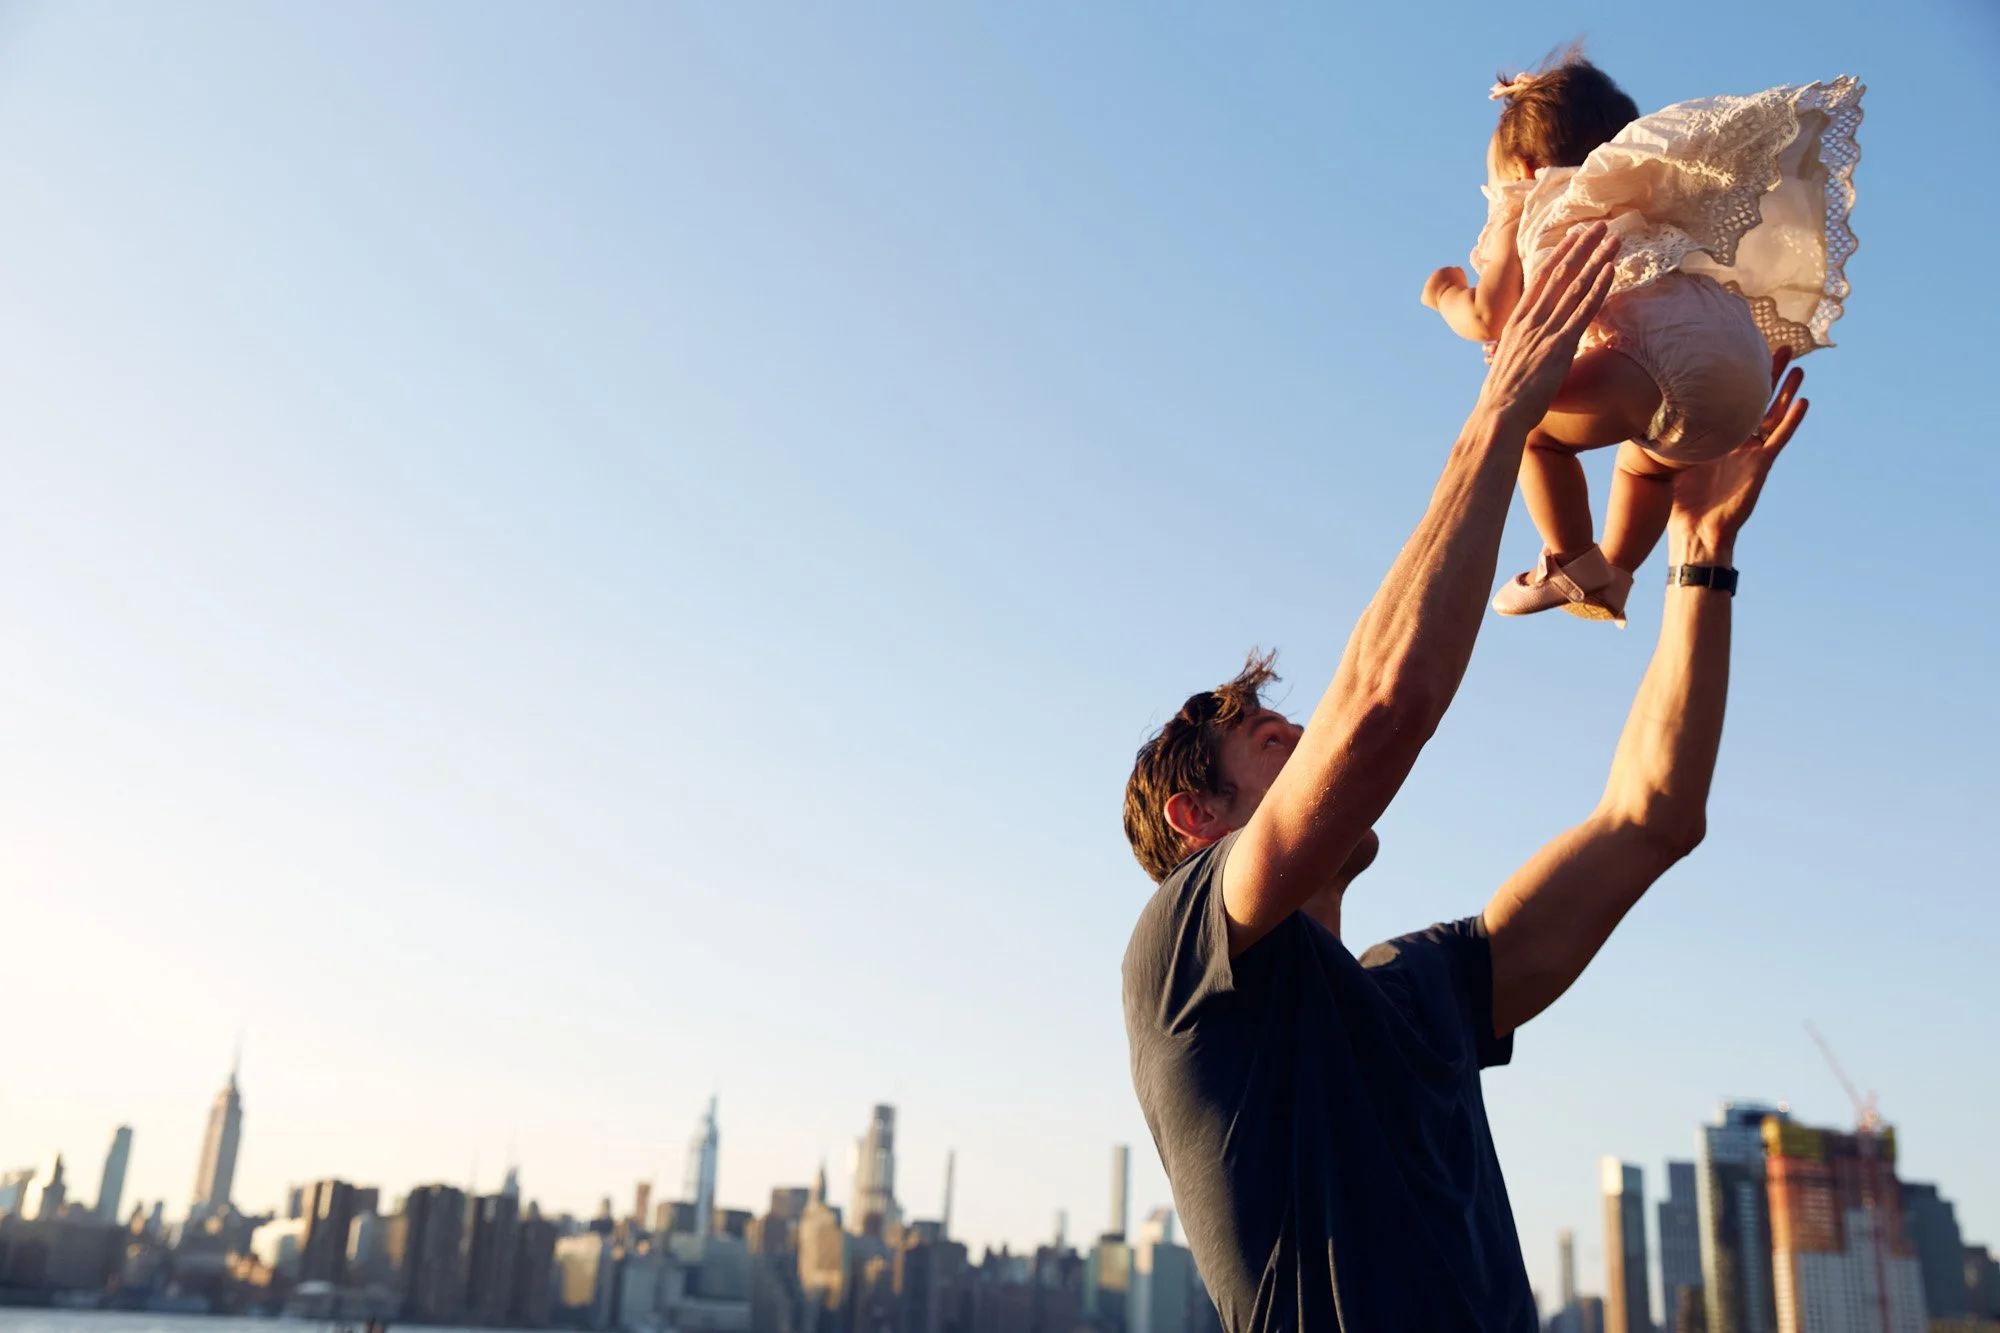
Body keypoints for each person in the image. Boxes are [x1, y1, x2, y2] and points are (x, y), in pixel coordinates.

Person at [1120, 224, 1809, 1330]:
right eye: (1270, 742)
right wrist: (1499, 407)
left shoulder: (1421, 989)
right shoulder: (1178, 967)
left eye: (1298, 726)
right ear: (1193, 818)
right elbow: (1380, 708)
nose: (1305, 742)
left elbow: (1651, 817)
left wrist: (1700, 554)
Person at [1419, 52, 1859, 624]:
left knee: (1525, 428)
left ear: (1524, 168)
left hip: (1661, 356)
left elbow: (1487, 317)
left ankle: (1571, 561)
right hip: (1739, 362)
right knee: (1646, 466)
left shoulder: (1534, 200)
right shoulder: (1645, 194)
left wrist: (1444, 292)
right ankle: (1616, 573)